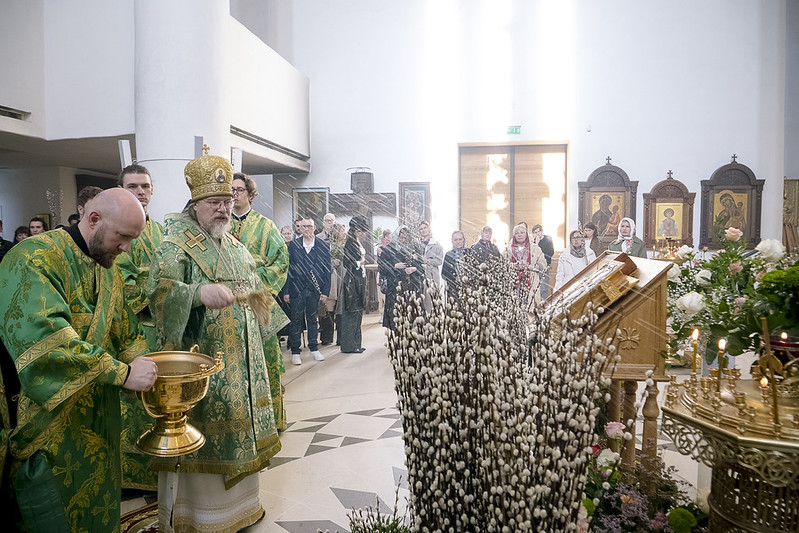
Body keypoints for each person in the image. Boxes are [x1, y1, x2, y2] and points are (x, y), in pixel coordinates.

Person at [0, 188, 156, 532]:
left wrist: (151, 368)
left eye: (133, 239)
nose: (126, 248)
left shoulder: (107, 266)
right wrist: (123, 373)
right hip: (46, 423)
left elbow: (125, 330)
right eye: (122, 237)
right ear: (94, 218)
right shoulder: (33, 258)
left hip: (99, 420)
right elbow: (47, 343)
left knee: (98, 511)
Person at [146, 149, 285, 532]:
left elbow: (254, 287)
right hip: (201, 362)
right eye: (214, 202)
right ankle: (200, 518)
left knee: (241, 431)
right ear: (195, 204)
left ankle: (243, 509)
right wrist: (195, 293)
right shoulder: (175, 244)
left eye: (227, 201)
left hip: (242, 362)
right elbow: (156, 295)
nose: (223, 209)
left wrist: (258, 302)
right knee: (204, 437)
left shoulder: (236, 246)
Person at [116, 164, 166, 491]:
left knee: (160, 396)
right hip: (132, 327)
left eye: (145, 186)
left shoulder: (160, 230)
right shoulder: (117, 230)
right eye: (132, 186)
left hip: (163, 328)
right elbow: (121, 277)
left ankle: (160, 465)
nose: (140, 192)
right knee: (134, 401)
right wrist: (154, 301)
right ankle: (133, 476)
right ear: (121, 190)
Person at [229, 172, 290, 429]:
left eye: (239, 190)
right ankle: (241, 422)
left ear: (250, 193)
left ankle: (270, 420)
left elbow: (281, 261)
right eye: (231, 190)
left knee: (266, 359)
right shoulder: (221, 224)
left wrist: (253, 283)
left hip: (258, 302)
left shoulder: (266, 226)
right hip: (228, 303)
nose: (234, 194)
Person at [284, 217, 331, 365]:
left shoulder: (323, 245)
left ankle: (314, 348)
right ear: (300, 228)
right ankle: (295, 351)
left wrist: (325, 291)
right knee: (296, 320)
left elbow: (327, 270)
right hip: (297, 289)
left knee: (312, 319)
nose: (306, 229)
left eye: (309, 226)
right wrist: (286, 291)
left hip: (315, 289)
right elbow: (289, 269)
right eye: (303, 226)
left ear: (314, 228)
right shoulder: (294, 245)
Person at [378, 225, 424, 331]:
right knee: (395, 316)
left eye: (406, 238)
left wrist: (414, 268)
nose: (403, 240)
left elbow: (421, 267)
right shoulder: (388, 249)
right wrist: (394, 266)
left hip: (410, 286)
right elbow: (382, 268)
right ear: (396, 236)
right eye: (401, 237)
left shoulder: (412, 250)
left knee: (409, 315)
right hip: (394, 287)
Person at [340, 216, 369, 353]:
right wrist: (360, 262)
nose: (362, 233)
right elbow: (346, 262)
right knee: (352, 312)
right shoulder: (350, 243)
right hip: (352, 281)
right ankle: (350, 345)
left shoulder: (355, 241)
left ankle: (356, 343)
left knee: (357, 312)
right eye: (360, 230)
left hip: (358, 279)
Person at [509, 223, 547, 307]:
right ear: (514, 236)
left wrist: (534, 267)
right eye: (517, 233)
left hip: (531, 283)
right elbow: (502, 264)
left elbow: (543, 263)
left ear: (526, 234)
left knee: (530, 308)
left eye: (522, 232)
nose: (519, 235)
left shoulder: (535, 248)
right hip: (514, 283)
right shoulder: (508, 249)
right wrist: (514, 266)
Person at [418, 221, 444, 312]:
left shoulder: (437, 245)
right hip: (420, 276)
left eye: (425, 228)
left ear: (429, 229)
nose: (423, 230)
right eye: (421, 229)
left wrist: (428, 261)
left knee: (432, 300)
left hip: (432, 276)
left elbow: (439, 261)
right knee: (420, 301)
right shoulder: (417, 245)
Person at [442, 230, 469, 297]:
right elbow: (443, 274)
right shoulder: (448, 254)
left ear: (463, 240)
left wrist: (464, 277)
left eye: (460, 239)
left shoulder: (469, 253)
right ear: (452, 241)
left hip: (467, 289)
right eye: (455, 240)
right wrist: (454, 278)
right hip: (452, 289)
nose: (458, 242)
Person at [531, 224, 554, 300]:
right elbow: (534, 255)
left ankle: (543, 304)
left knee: (544, 288)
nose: (538, 234)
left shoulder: (548, 239)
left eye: (539, 231)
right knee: (535, 289)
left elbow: (550, 252)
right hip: (535, 267)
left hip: (545, 266)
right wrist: (536, 244)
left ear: (542, 231)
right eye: (536, 232)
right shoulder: (534, 242)